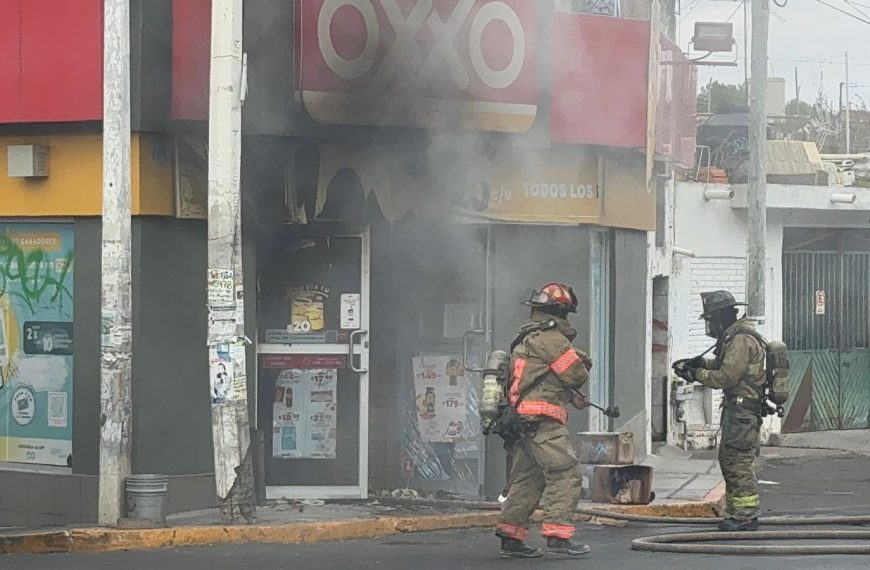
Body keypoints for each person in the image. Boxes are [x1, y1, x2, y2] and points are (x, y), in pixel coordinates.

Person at [495, 283, 592, 558]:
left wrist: (569, 396)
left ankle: (511, 536)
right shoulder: (551, 338)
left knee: (528, 478)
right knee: (565, 472)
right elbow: (575, 374)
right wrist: (582, 361)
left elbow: (540, 379)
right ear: (560, 312)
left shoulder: (525, 338)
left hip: (522, 420)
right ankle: (558, 535)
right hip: (543, 421)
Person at [673, 290, 767, 532]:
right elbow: (723, 366)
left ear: (723, 316)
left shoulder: (740, 340)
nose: (710, 324)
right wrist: (699, 363)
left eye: (712, 319)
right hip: (738, 410)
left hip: (743, 411)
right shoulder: (733, 338)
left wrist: (695, 375)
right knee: (729, 460)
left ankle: (745, 516)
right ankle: (738, 513)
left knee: (737, 462)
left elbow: (726, 377)